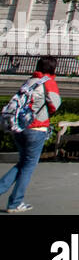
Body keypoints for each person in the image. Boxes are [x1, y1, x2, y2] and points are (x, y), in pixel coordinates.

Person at [0, 55, 61, 212]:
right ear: (53, 68)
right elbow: (55, 105)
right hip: (36, 128)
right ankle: (15, 203)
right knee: (28, 166)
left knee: (23, 163)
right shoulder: (49, 82)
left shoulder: (30, 81)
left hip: (19, 127)